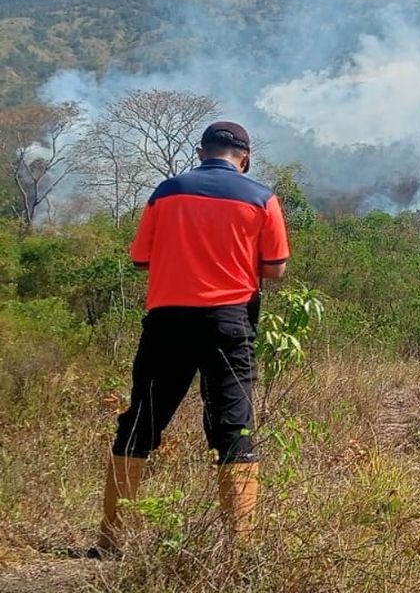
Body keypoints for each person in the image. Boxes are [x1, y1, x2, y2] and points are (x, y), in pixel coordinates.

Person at [94, 121, 289, 553]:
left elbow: (141, 258)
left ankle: (110, 541)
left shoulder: (165, 193)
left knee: (140, 422)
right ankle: (239, 551)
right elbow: (275, 269)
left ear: (201, 153)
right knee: (234, 429)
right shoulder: (261, 197)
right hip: (229, 323)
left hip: (167, 322)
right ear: (246, 158)